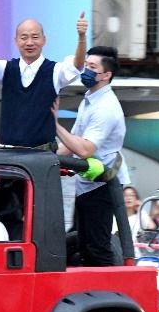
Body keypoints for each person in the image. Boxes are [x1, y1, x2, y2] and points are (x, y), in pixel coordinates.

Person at [53, 46, 128, 266]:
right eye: (86, 66)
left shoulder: (105, 107)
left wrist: (55, 124)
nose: (86, 71)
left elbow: (84, 149)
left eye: (92, 68)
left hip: (102, 186)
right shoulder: (90, 98)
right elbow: (71, 143)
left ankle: (107, 294)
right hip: (87, 184)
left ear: (106, 75)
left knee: (97, 247)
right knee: (83, 243)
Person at [0, 12, 87, 148]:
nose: (29, 42)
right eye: (24, 38)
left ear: (44, 40)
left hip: (42, 153)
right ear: (16, 41)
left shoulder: (54, 70)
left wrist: (82, 37)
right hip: (8, 152)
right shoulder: (6, 68)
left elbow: (77, 65)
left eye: (35, 37)